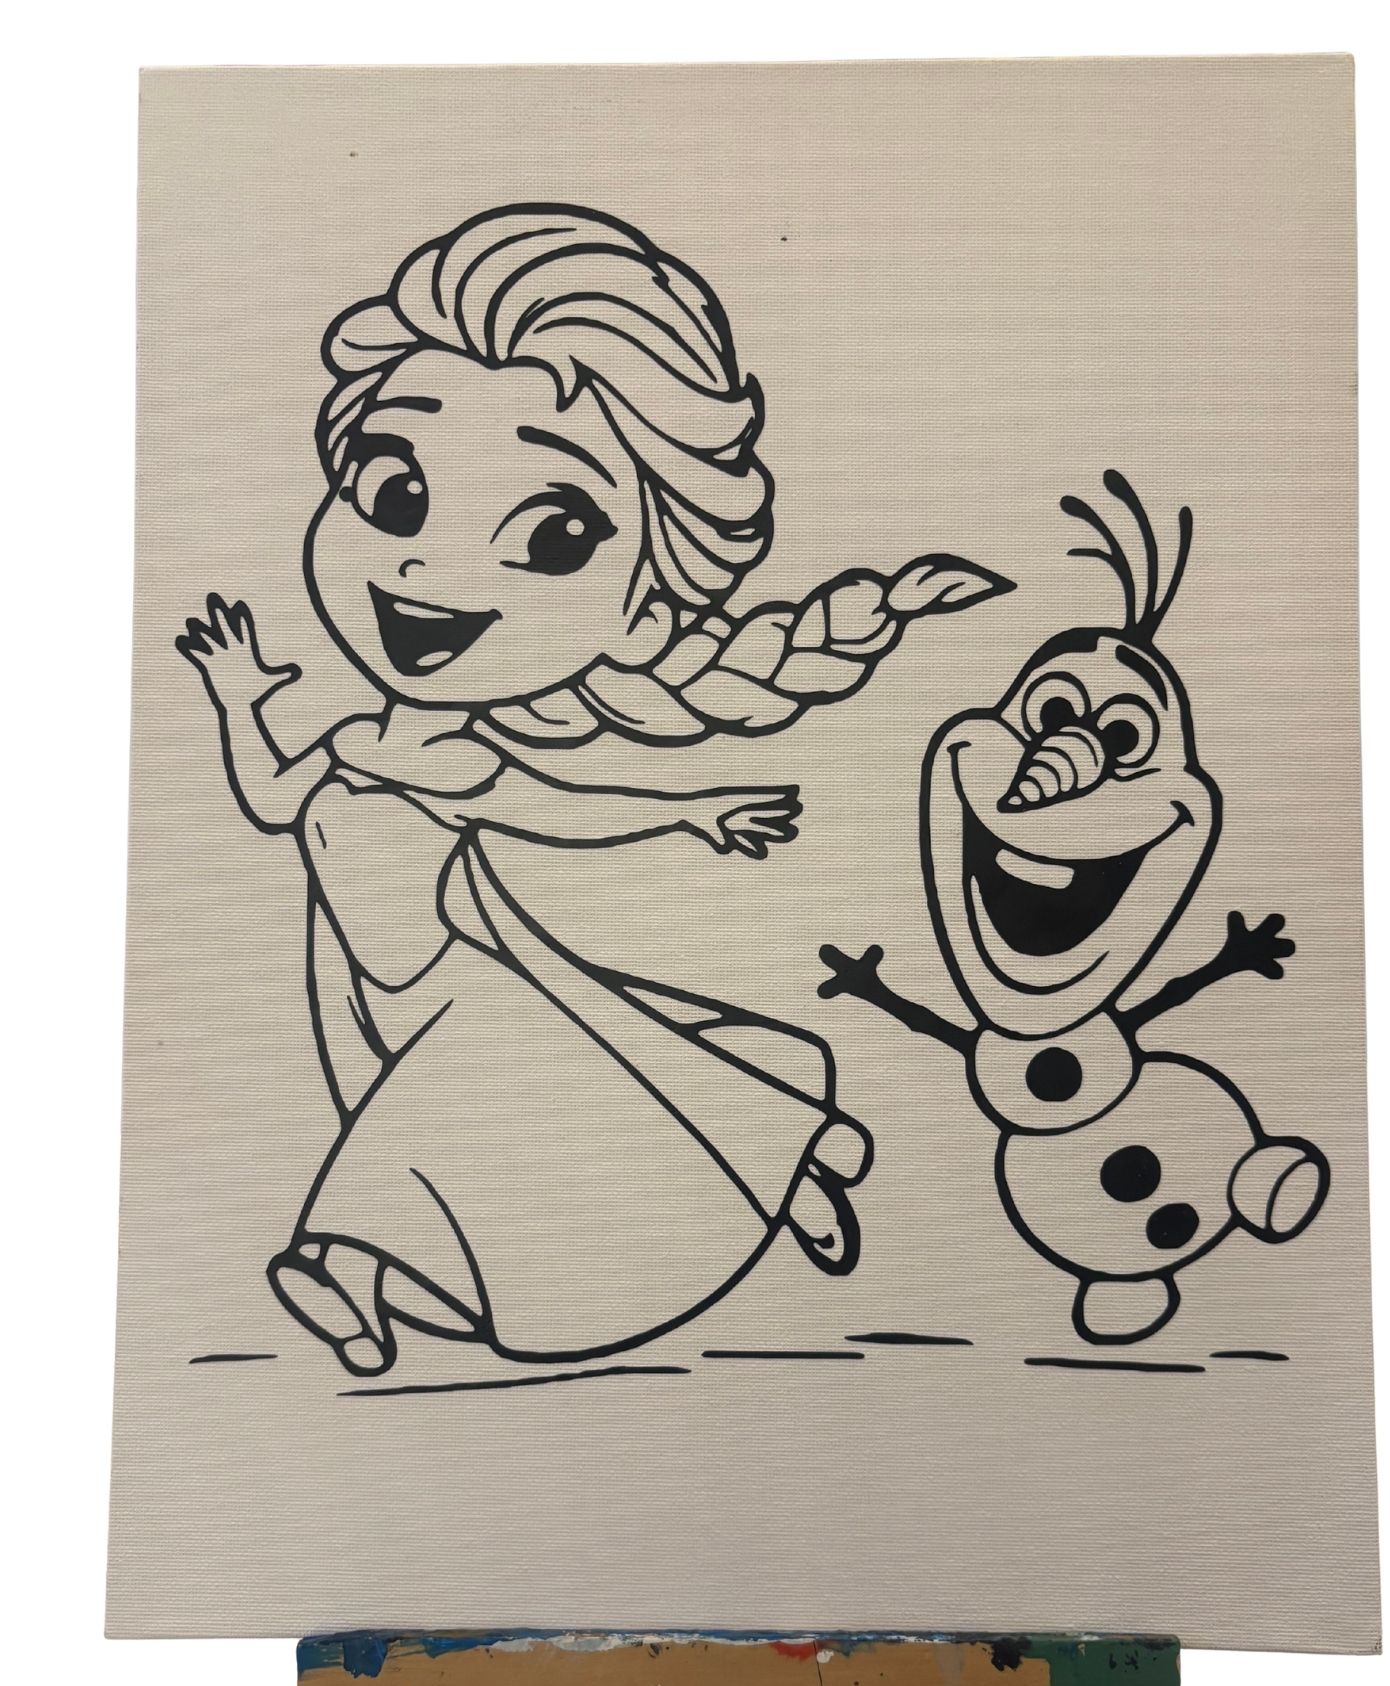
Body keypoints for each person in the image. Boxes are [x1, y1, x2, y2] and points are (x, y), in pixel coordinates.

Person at [178, 204, 1012, 1377]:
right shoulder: (354, 739)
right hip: (383, 1000)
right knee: (653, 1062)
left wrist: (684, 807)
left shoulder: (459, 764)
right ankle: (791, 1151)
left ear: (636, 612)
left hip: (462, 995)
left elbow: (560, 812)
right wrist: (235, 696)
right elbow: (272, 799)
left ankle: (342, 1273)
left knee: (451, 1120)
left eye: (554, 534)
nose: (424, 562)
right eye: (393, 491)